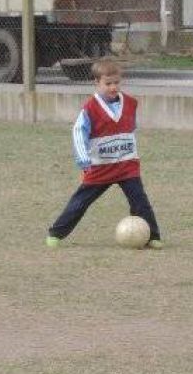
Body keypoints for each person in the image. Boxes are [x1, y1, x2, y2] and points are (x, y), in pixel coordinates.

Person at [46, 58, 162, 249]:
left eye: (116, 83)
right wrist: (83, 157)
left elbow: (131, 127)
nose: (113, 87)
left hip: (127, 165)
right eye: (108, 84)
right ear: (97, 83)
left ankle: (152, 236)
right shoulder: (90, 108)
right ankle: (56, 233)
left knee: (141, 202)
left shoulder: (131, 103)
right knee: (80, 202)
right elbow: (78, 132)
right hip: (100, 167)